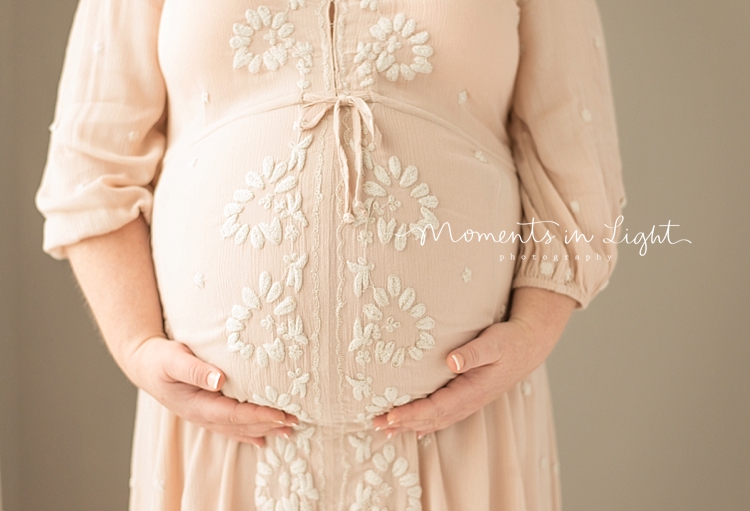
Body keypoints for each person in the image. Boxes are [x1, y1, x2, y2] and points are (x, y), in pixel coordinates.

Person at [35, 0, 626, 509]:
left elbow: (575, 165)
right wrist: (136, 345)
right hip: (223, 450)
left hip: (460, 441)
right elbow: (92, 160)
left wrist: (531, 334)